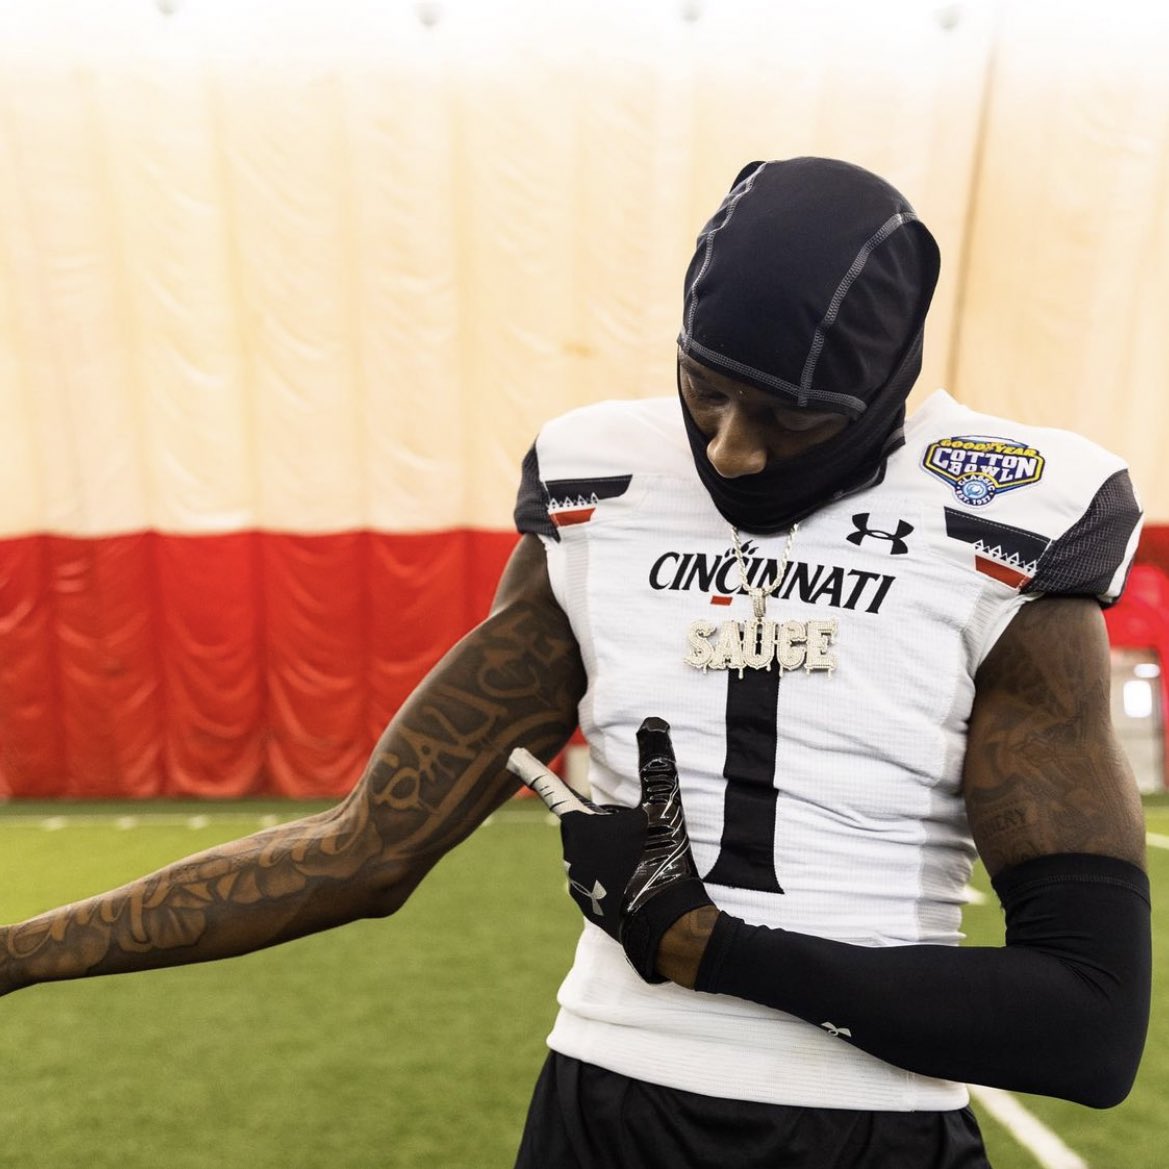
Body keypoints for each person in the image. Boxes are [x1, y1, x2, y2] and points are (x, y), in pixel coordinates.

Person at [0, 158, 1150, 1169]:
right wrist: (13, 954)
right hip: (605, 1106)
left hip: (866, 1121)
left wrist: (710, 948)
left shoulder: (1000, 515)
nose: (731, 448)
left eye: (788, 419)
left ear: (884, 385)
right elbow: (363, 850)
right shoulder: (604, 486)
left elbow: (1085, 1023)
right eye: (705, 393)